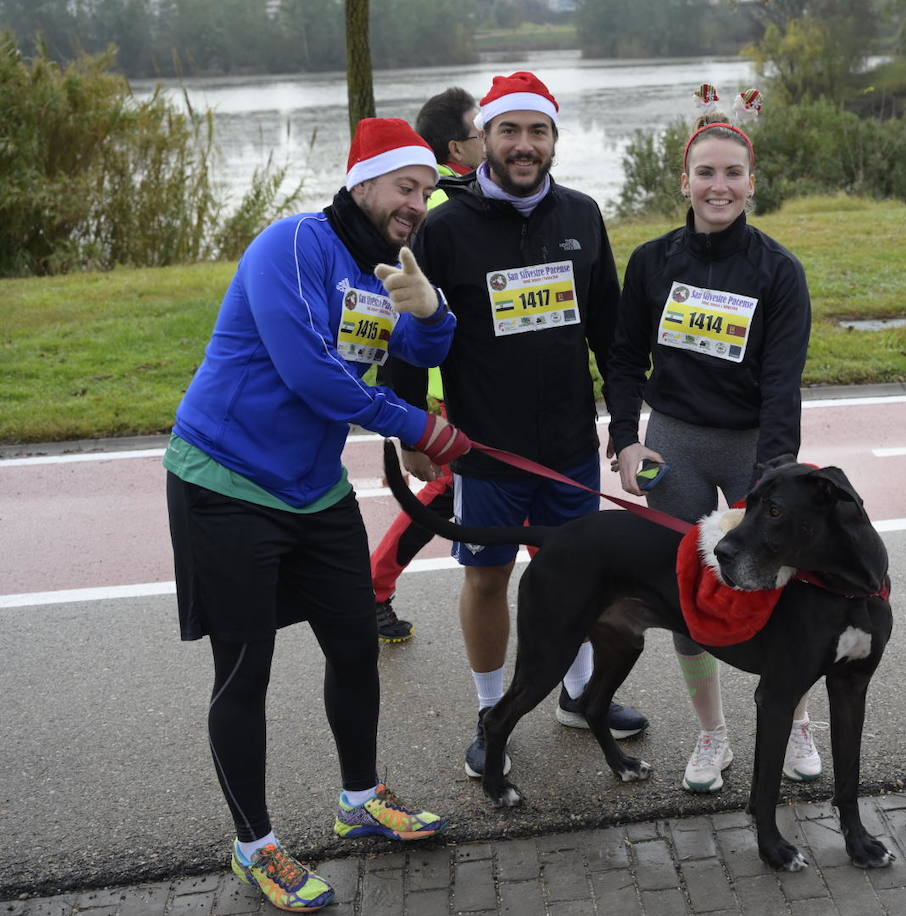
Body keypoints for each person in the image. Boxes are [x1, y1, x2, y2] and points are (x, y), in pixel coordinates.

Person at [164, 117, 468, 912]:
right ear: (363, 181)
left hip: (313, 486)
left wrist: (432, 311)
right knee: (245, 671)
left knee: (356, 644)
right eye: (405, 186)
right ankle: (254, 846)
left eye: (426, 191)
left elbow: (424, 352)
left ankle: (359, 800)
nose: (417, 203)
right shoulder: (293, 246)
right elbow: (312, 374)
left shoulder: (384, 265)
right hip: (225, 481)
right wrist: (421, 427)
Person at [403, 71, 648, 779]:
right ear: (484, 139)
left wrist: (624, 428)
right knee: (487, 580)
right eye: (508, 130)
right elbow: (410, 334)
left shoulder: (582, 215)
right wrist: (412, 428)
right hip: (487, 453)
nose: (523, 145)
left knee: (579, 580)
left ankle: (579, 694)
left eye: (537, 131)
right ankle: (492, 713)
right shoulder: (445, 227)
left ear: (553, 140)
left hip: (567, 445)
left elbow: (612, 338)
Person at [602, 90, 821, 794]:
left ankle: (797, 721)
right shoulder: (652, 261)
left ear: (752, 184)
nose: (718, 186)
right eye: (705, 173)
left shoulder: (779, 271)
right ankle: (712, 734)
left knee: (771, 587)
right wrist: (625, 440)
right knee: (689, 596)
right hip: (676, 447)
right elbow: (623, 358)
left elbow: (783, 384)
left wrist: (775, 478)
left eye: (732, 174)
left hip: (756, 447)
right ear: (684, 181)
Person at [367, 87, 487, 643]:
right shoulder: (436, 210)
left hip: (462, 382)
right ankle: (372, 590)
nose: (491, 140)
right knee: (451, 490)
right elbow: (404, 321)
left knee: (458, 491)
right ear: (456, 147)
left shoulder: (461, 194)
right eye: (481, 132)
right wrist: (411, 418)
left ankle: (373, 589)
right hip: (445, 385)